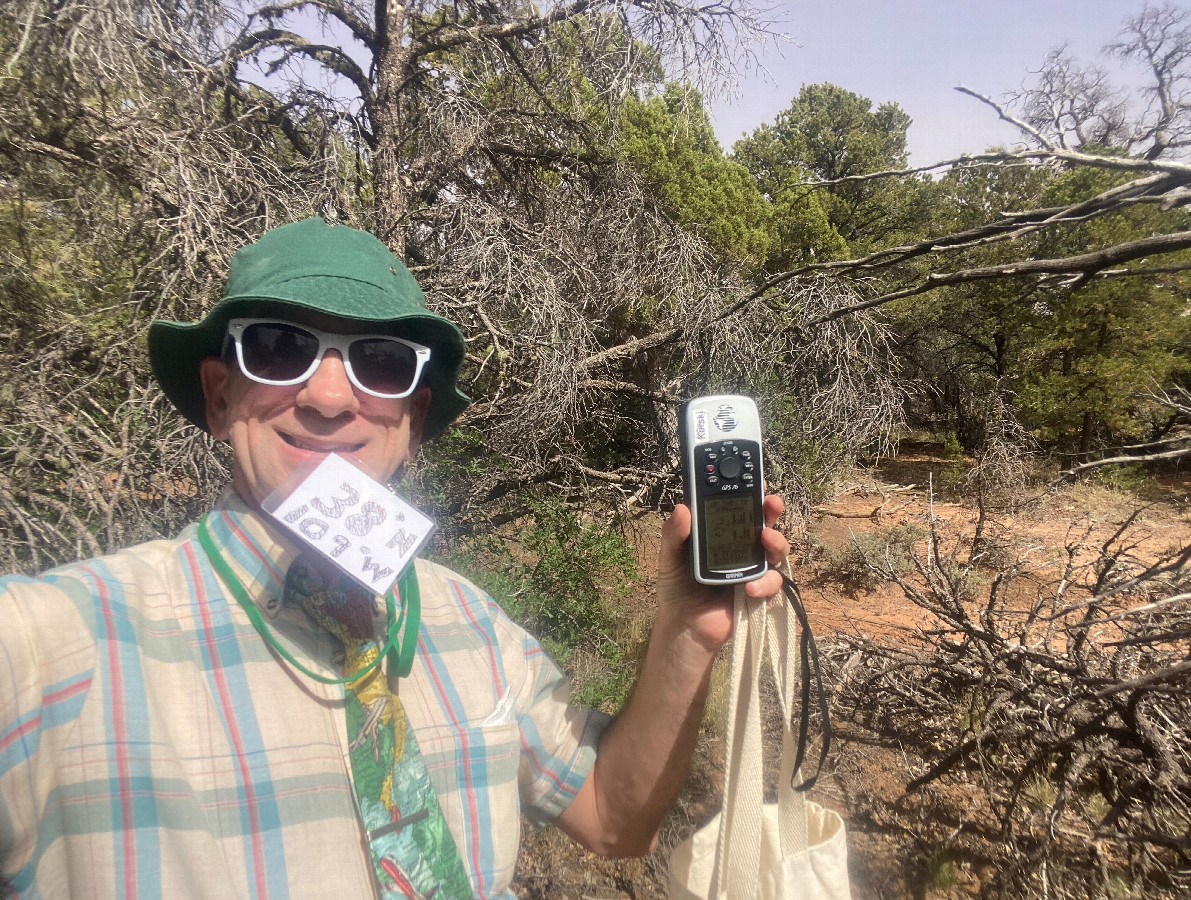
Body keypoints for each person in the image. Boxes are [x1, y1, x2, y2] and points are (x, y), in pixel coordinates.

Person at [0, 217, 788, 898]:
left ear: (411, 418)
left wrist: (687, 631)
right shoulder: (58, 645)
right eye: (280, 350)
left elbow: (615, 818)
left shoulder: (471, 624)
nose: (332, 398)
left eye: (379, 362)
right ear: (218, 396)